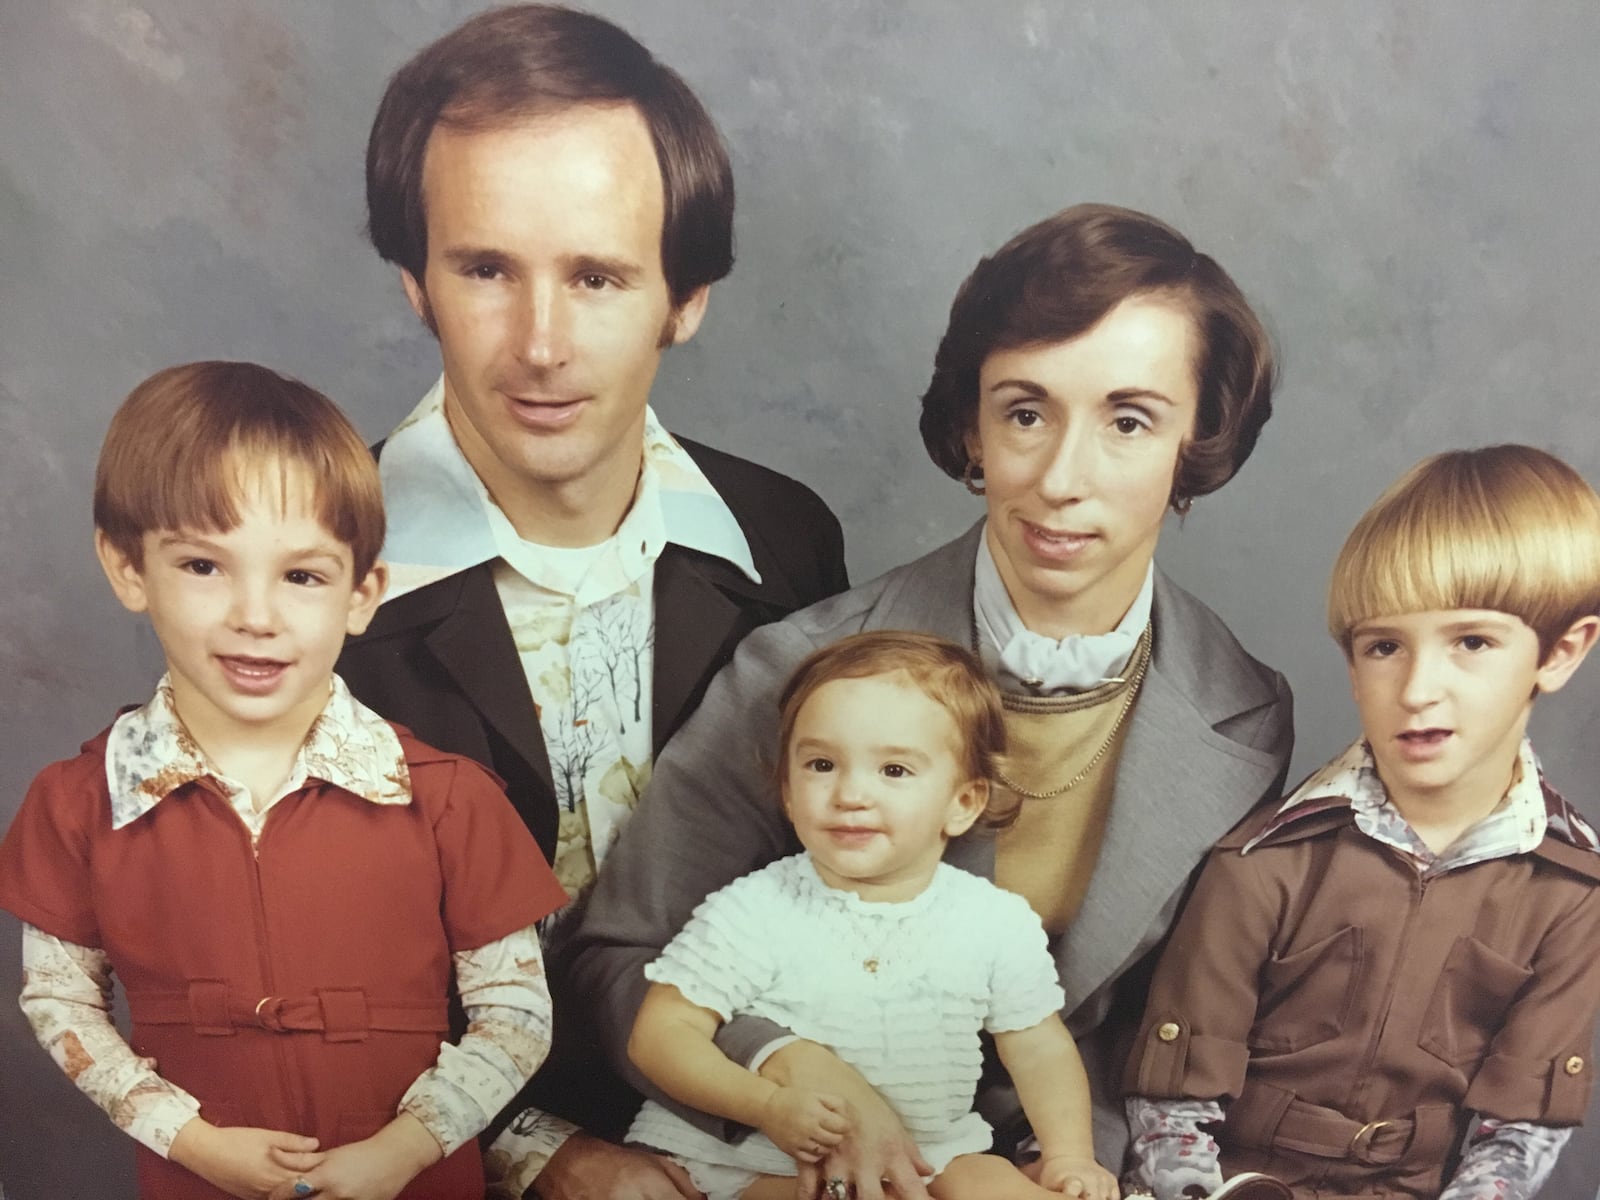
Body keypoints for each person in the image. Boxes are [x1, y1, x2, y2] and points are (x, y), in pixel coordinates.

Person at [572, 202, 1295, 1199]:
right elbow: (618, 958)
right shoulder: (807, 664)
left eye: (1128, 421)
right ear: (972, 427)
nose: (1059, 479)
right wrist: (789, 1063)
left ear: (1195, 443)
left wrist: (1068, 1163)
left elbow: (1154, 1030)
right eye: (1025, 412)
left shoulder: (1243, 717)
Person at [333, 6, 851, 1198]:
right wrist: (537, 1154)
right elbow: (257, 973)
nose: (542, 343)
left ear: (687, 297)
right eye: (485, 269)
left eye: (599, 276)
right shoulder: (297, 579)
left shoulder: (786, 543)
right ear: (415, 281)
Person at [0, 362, 568, 1200]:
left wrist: (406, 1150)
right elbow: (60, 1002)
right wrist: (188, 1140)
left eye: (301, 576)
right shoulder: (77, 803)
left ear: (362, 593)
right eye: (204, 565)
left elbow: (517, 1017)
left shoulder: (448, 798)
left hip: (413, 1180)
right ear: (128, 569)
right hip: (197, 1180)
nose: (255, 615)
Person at [1122, 445, 1600, 1200]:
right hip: (1239, 1184)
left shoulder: (1574, 893)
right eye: (1384, 647)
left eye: (1471, 642)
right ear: (1351, 664)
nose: (1417, 689)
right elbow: (1173, 1103)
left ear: (1561, 652)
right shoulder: (1262, 859)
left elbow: (1515, 1134)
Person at [626, 632, 1119, 1200]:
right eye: (821, 764)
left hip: (928, 1150)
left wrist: (1068, 1156)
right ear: (787, 792)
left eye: (894, 771)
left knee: (1001, 1188)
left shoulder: (993, 921)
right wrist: (765, 1103)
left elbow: (1037, 1047)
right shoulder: (755, 909)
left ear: (963, 803)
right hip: (764, 1157)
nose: (851, 793)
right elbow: (661, 1034)